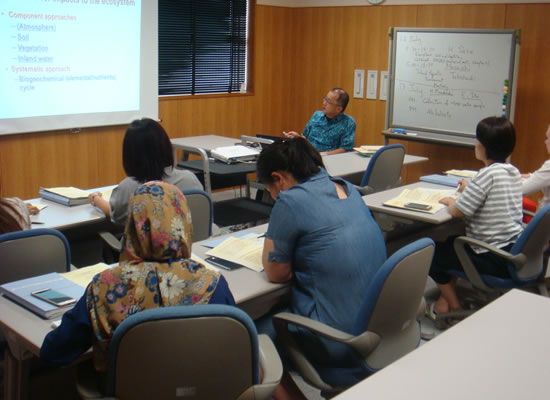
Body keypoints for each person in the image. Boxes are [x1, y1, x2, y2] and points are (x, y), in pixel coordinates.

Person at [41, 181, 234, 368]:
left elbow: (53, 352)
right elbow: (234, 348)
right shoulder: (213, 283)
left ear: (132, 224)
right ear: (183, 221)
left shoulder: (105, 286)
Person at [255, 138, 386, 400]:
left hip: (337, 340)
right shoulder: (347, 189)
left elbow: (276, 272)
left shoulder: (290, 201)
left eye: (268, 188)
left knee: (252, 335)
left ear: (278, 179)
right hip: (378, 328)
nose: (271, 195)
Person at [429, 117, 523, 315]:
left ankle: (453, 308)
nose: (475, 144)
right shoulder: (512, 171)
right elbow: (491, 193)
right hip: (512, 249)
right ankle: (443, 300)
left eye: (477, 140)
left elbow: (458, 211)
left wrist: (450, 201)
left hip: (491, 256)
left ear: (483, 146)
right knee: (452, 242)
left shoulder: (485, 175)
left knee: (432, 251)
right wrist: (470, 189)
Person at [88, 118, 202, 226]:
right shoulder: (189, 179)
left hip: (149, 247)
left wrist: (96, 199)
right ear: (166, 146)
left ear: (130, 155)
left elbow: (116, 215)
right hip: (191, 244)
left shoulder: (129, 187)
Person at [284, 88, 355, 155]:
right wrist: (297, 138)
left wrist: (322, 155)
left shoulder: (348, 123)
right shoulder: (317, 115)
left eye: (328, 102)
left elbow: (345, 149)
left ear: (338, 109)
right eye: (325, 99)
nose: (324, 103)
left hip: (328, 160)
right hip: (307, 156)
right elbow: (305, 137)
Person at [522, 124, 550, 210]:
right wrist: (532, 176)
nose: (545, 142)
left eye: (548, 138)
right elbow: (544, 177)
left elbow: (522, 190)